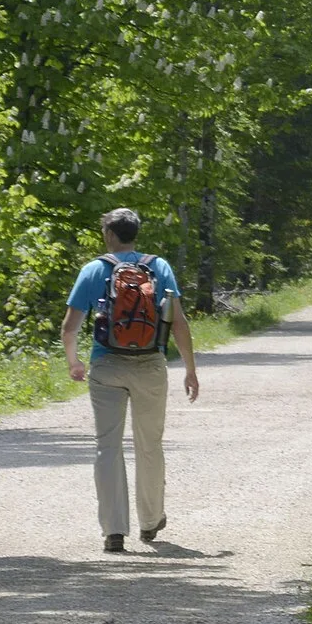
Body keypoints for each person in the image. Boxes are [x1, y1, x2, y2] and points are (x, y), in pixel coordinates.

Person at [61, 208, 199, 552]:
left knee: (107, 446)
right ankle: (150, 521)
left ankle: (114, 531)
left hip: (107, 364)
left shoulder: (94, 269)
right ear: (135, 233)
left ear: (108, 233)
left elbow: (69, 326)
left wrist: (74, 361)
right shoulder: (160, 267)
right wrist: (190, 369)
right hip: (150, 364)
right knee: (149, 444)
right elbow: (178, 321)